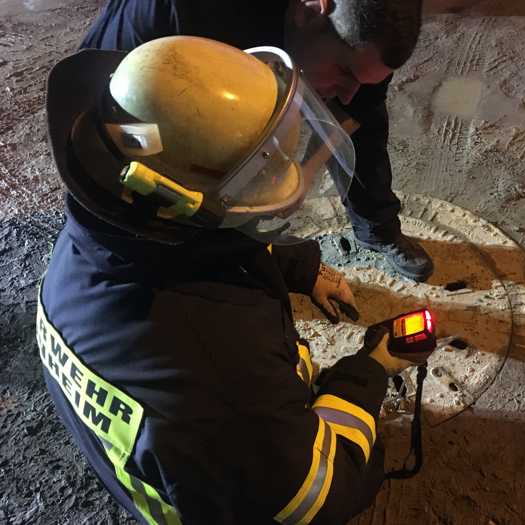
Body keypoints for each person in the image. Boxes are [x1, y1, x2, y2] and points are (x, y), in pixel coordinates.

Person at [40, 36, 415, 524]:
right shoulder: (215, 373)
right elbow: (315, 498)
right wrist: (370, 370)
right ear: (176, 200)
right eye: (257, 182)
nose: (284, 187)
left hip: (190, 459)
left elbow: (214, 240)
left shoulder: (96, 244)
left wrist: (301, 268)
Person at [79, 0, 434, 282]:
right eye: (345, 72)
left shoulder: (361, 39)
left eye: (366, 80)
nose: (350, 92)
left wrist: (376, 223)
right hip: (137, 84)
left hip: (280, 35)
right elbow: (100, 118)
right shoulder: (181, 16)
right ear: (309, 10)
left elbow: (360, 123)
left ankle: (376, 229)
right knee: (188, 175)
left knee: (360, 117)